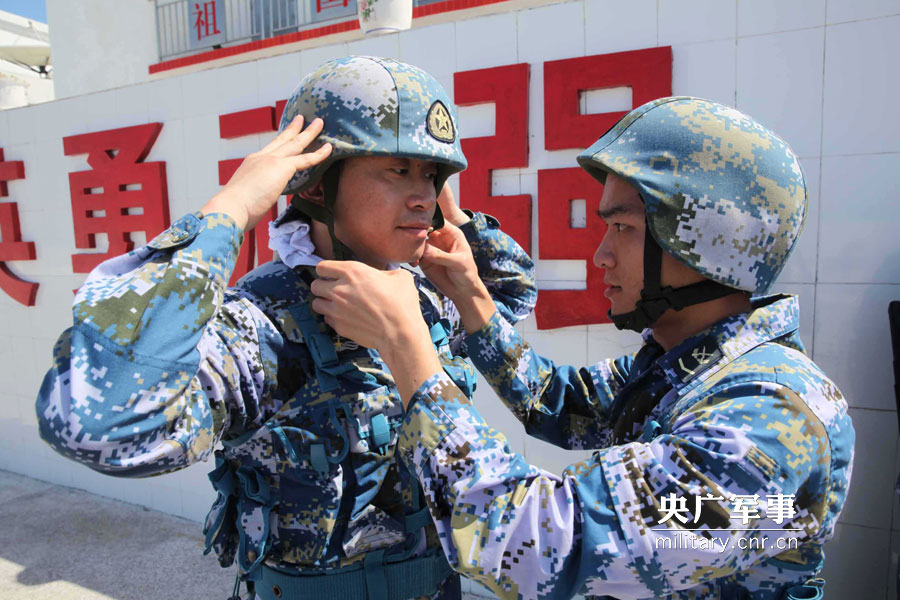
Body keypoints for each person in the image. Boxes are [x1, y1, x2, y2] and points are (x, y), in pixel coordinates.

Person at [310, 97, 855, 600]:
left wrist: (409, 351)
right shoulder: (689, 370)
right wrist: (472, 296)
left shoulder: (769, 422)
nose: (601, 256)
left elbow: (541, 547)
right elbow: (558, 401)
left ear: (704, 242)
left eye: (622, 228)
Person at [34, 56, 536, 600]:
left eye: (431, 175)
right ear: (317, 185)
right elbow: (101, 424)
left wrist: (456, 223)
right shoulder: (262, 322)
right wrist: (227, 213)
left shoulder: (426, 294)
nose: (423, 197)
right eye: (397, 170)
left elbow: (510, 297)